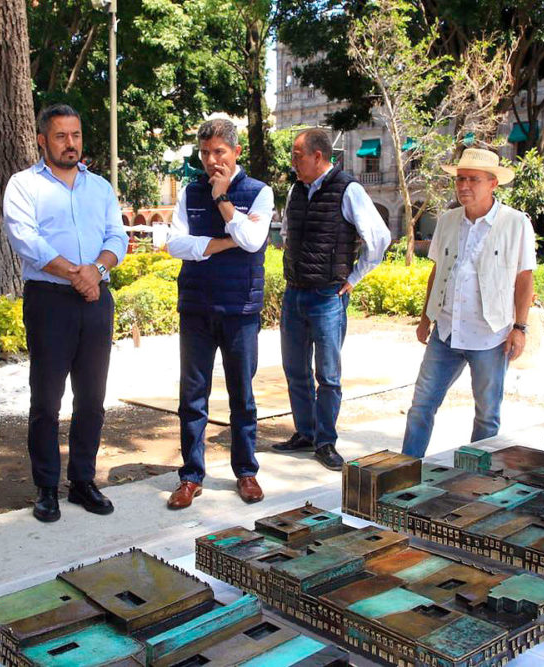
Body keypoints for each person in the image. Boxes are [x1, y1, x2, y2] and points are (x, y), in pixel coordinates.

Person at [3, 104, 127, 521]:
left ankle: (83, 481)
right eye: (61, 136)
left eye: (75, 135)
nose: (70, 143)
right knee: (46, 400)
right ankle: (45, 487)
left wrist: (98, 270)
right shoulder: (23, 186)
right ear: (42, 140)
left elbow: (117, 237)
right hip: (49, 300)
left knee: (92, 398)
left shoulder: (101, 188)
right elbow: (27, 241)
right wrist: (76, 273)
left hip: (96, 300)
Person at [165, 118, 273, 510]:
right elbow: (175, 244)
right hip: (195, 307)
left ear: (236, 152)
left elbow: (253, 239)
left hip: (240, 309)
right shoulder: (189, 193)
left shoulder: (259, 192)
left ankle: (246, 472)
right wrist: (225, 243)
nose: (212, 161)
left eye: (220, 153)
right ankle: (191, 476)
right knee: (192, 397)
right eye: (206, 153)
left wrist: (224, 200)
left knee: (242, 395)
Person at [401, 147, 535, 459]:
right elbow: (437, 270)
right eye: (460, 179)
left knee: (487, 414)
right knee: (421, 405)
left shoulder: (515, 223)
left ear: (492, 184)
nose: (464, 186)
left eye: (473, 180)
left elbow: (524, 278)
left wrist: (520, 327)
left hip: (490, 334)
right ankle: (405, 468)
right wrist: (425, 318)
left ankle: (474, 479)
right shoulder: (448, 221)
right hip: (446, 331)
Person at [272, 129, 390, 470]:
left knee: (328, 375)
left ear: (319, 156)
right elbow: (287, 232)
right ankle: (305, 433)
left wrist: (352, 279)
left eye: (298, 155)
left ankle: (326, 441)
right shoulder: (296, 189)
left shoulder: (348, 189)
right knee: (295, 369)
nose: (293, 162)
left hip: (327, 296)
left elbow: (379, 238)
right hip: (294, 292)